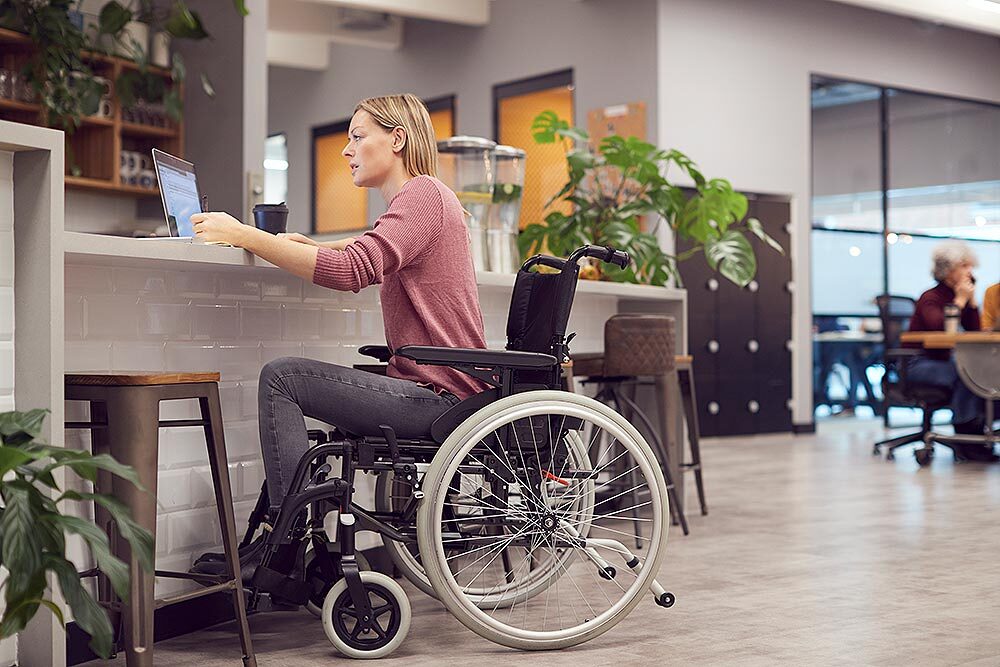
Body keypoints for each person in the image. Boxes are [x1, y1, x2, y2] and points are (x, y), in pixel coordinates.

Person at [188, 94, 488, 571]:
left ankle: (284, 547)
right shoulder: (425, 199)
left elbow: (351, 270)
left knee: (282, 379)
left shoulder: (424, 196)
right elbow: (368, 248)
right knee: (304, 387)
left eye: (356, 136)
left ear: (397, 139)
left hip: (439, 396)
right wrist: (311, 245)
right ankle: (288, 536)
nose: (346, 150)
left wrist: (246, 234)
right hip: (441, 389)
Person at [905, 240, 994, 461]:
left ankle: (978, 433)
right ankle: (965, 436)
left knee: (980, 371)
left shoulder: (960, 298)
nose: (969, 272)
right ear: (948, 270)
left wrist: (971, 303)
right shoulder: (930, 298)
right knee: (965, 374)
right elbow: (942, 330)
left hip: (948, 362)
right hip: (920, 363)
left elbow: (974, 331)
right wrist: (961, 300)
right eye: (963, 266)